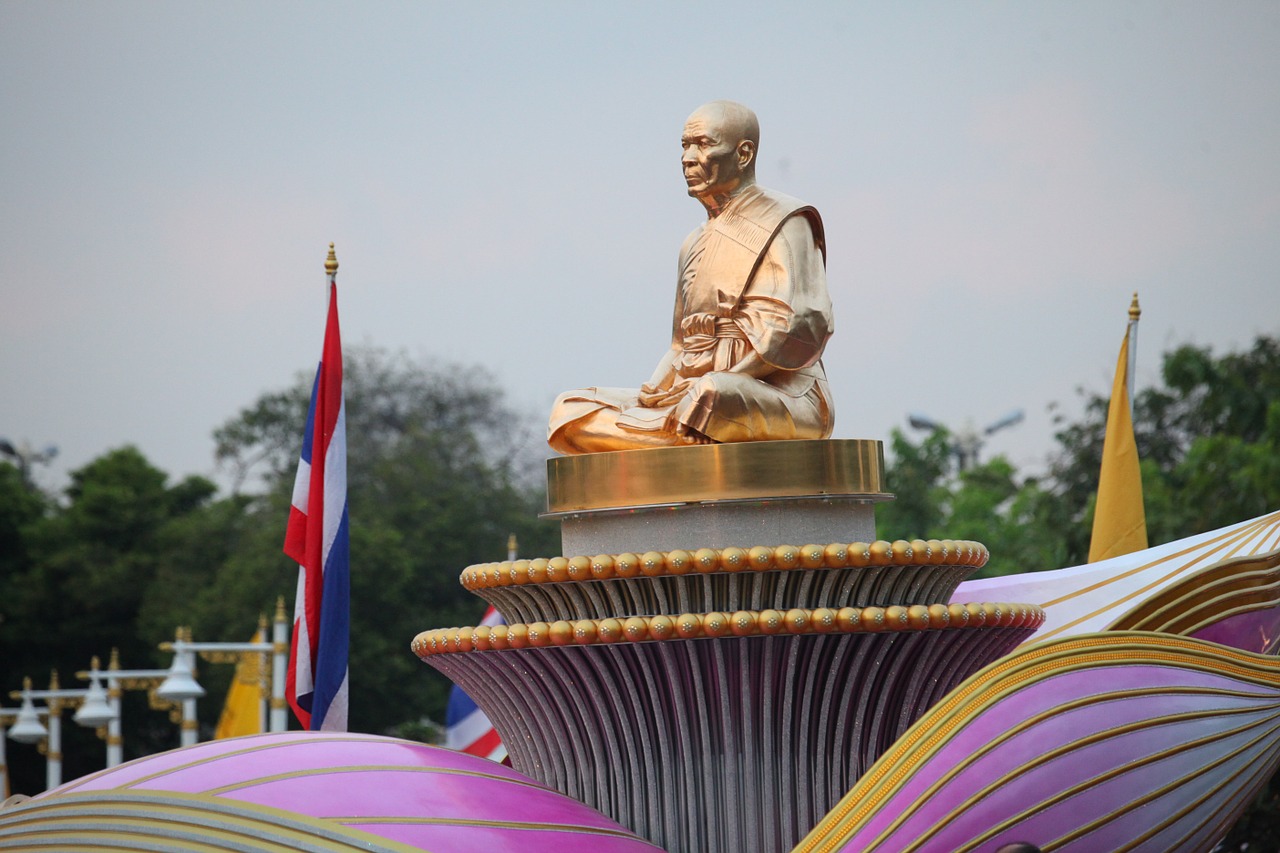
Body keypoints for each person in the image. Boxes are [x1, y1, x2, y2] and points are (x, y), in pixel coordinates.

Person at [548, 100, 835, 454]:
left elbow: (799, 327)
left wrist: (727, 378)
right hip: (691, 391)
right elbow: (679, 346)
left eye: (703, 143)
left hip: (776, 394)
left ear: (743, 154)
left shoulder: (786, 222)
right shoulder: (693, 243)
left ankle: (677, 429)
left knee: (711, 396)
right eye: (685, 146)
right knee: (571, 410)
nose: (688, 158)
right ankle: (677, 431)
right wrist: (655, 390)